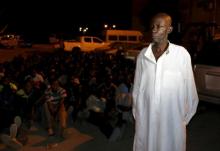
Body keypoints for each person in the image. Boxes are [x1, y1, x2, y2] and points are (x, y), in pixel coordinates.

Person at [132, 13, 199, 151]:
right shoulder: (143, 56)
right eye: (152, 26)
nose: (154, 30)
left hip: (172, 121)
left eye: (159, 26)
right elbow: (137, 89)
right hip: (147, 119)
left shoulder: (181, 54)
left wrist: (180, 120)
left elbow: (190, 91)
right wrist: (139, 113)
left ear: (169, 29)